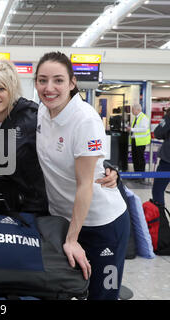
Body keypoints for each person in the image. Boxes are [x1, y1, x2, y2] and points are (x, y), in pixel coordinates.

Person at [34, 51, 130, 300]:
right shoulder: (42, 113)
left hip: (101, 225)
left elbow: (85, 185)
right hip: (63, 221)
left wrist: (72, 239)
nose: (49, 88)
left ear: (72, 82)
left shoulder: (84, 119)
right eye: (42, 80)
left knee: (101, 295)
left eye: (58, 80)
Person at [0, 59, 119, 215]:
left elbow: (66, 146)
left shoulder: (34, 117)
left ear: (11, 90)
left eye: (1, 89)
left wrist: (107, 167)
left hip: (33, 209)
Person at [126, 103, 151, 178]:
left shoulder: (143, 118)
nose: (132, 111)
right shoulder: (136, 117)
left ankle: (141, 176)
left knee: (140, 159)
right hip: (135, 141)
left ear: (138, 110)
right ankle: (136, 175)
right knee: (135, 158)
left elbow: (144, 129)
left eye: (133, 109)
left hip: (140, 142)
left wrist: (132, 129)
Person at [152, 108, 170, 206]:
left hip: (167, 161)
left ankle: (161, 218)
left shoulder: (168, 117)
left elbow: (158, 133)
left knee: (158, 190)